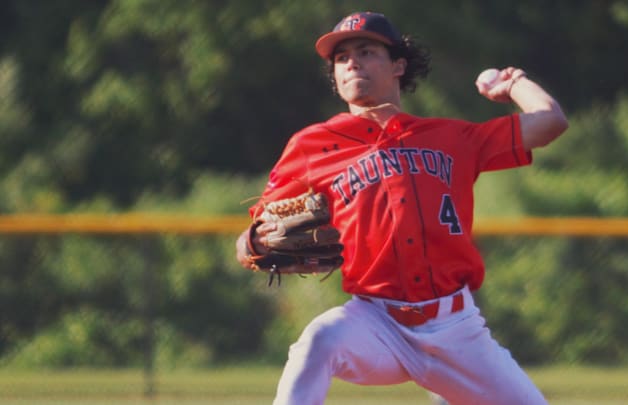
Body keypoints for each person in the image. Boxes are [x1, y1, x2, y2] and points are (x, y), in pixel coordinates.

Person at [235, 11, 568, 405]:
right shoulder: (312, 145)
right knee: (317, 343)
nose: (352, 62)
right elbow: (249, 239)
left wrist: (514, 84)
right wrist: (255, 241)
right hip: (376, 323)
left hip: (457, 330)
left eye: (366, 50)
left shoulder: (451, 136)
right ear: (336, 78)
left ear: (398, 65)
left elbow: (550, 121)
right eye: (341, 59)